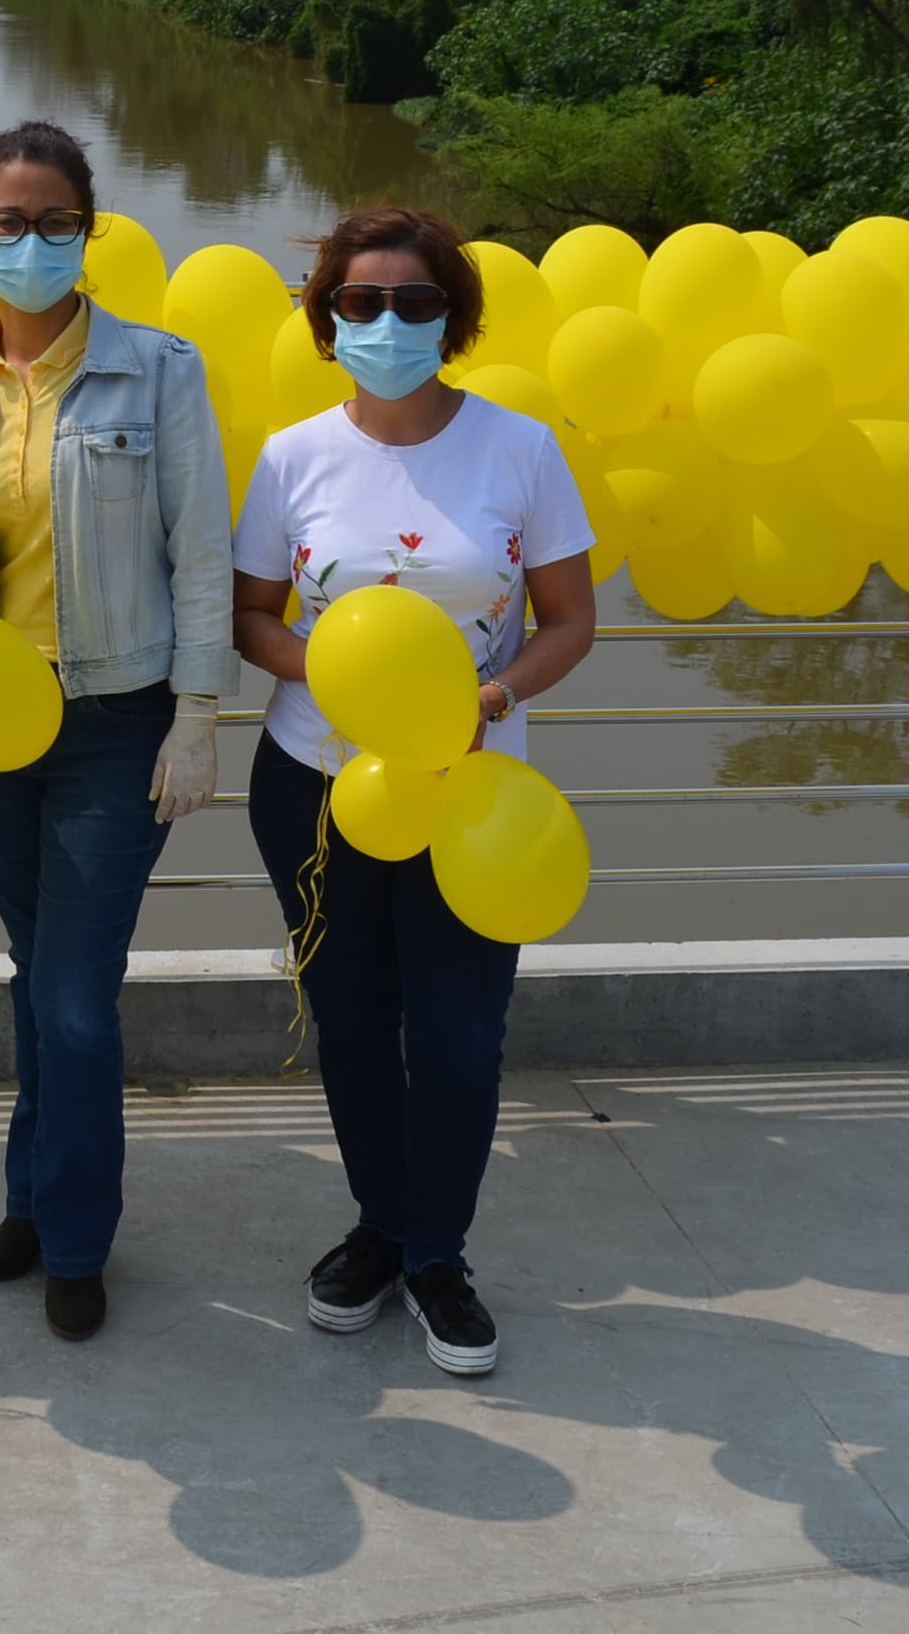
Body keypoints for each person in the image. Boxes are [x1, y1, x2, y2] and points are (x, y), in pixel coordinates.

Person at [231, 204, 598, 1379]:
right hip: (315, 786)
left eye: (416, 302)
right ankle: (378, 1230)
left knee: (458, 1035)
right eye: (363, 302)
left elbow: (571, 618)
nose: (388, 321)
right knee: (348, 1021)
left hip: (475, 797)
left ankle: (440, 1254)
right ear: (327, 318)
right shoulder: (292, 455)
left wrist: (485, 700)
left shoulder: (518, 448)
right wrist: (337, 679)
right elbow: (251, 618)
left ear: (456, 318)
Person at [0, 121, 234, 1342]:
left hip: (114, 719)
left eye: (53, 221)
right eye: (6, 221)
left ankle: (79, 1238)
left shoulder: (160, 370)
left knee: (78, 998)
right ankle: (33, 1207)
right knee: (32, 977)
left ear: (87, 229)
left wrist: (197, 712)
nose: (30, 242)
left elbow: (200, 553)